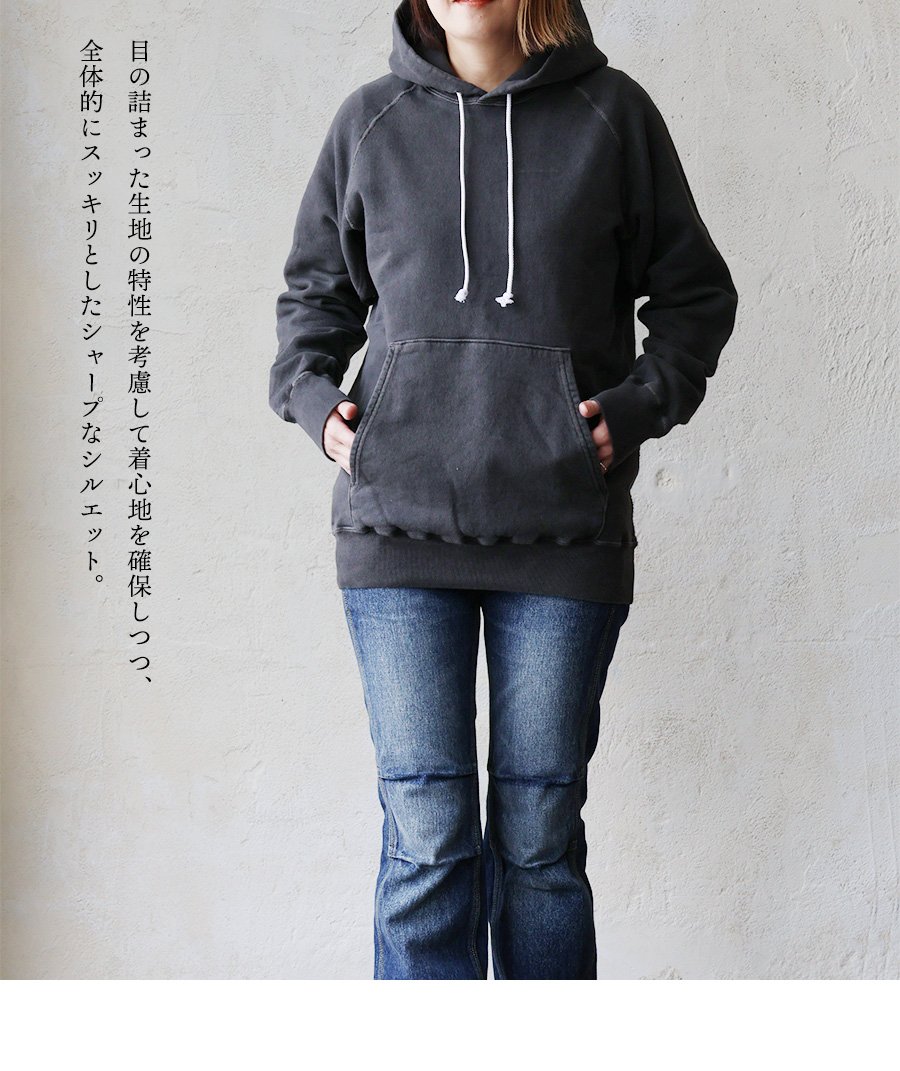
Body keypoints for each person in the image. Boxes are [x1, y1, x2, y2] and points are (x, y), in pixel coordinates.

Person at [268, 0, 738, 979]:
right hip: (397, 532)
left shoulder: (614, 117)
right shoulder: (369, 123)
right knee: (427, 835)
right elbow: (312, 300)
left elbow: (696, 296)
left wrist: (635, 407)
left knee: (538, 841)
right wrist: (319, 404)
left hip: (564, 535)